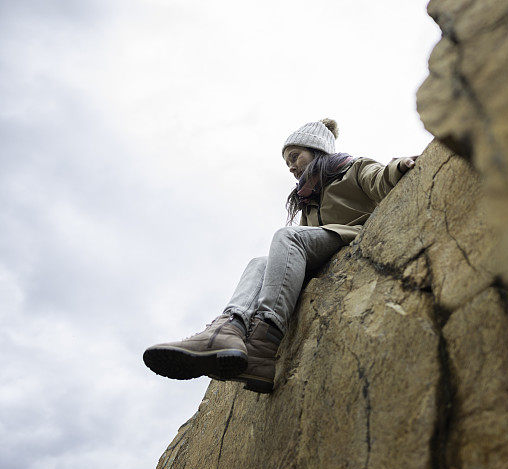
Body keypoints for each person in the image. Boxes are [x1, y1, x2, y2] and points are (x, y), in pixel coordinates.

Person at [143, 118, 417, 393]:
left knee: (286, 235)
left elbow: (379, 178)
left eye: (295, 157)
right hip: (323, 250)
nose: (291, 167)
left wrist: (399, 166)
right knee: (258, 263)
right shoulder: (309, 201)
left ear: (317, 150)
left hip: (351, 235)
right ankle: (230, 328)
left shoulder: (352, 168)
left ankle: (264, 339)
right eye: (287, 163)